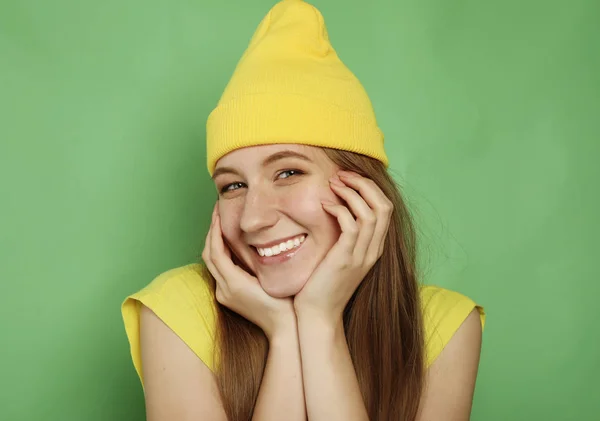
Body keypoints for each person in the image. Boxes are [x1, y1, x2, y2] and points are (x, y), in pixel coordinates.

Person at [121, 0, 486, 420]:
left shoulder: (445, 327)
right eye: (233, 185)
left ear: (362, 188)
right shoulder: (177, 313)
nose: (253, 218)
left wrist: (318, 320)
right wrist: (282, 332)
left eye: (288, 172)